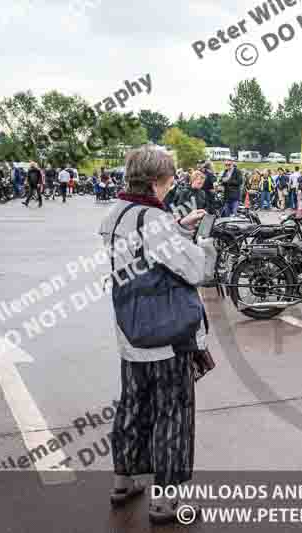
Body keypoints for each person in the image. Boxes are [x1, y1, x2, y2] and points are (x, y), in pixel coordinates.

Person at [98, 145, 211, 525]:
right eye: (170, 177)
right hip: (165, 334)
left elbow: (141, 256)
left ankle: (123, 480)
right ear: (156, 181)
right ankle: (166, 503)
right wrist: (202, 242)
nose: (172, 182)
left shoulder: (116, 214)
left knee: (132, 405)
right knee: (173, 412)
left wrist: (176, 230)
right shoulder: (154, 220)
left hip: (130, 331)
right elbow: (194, 270)